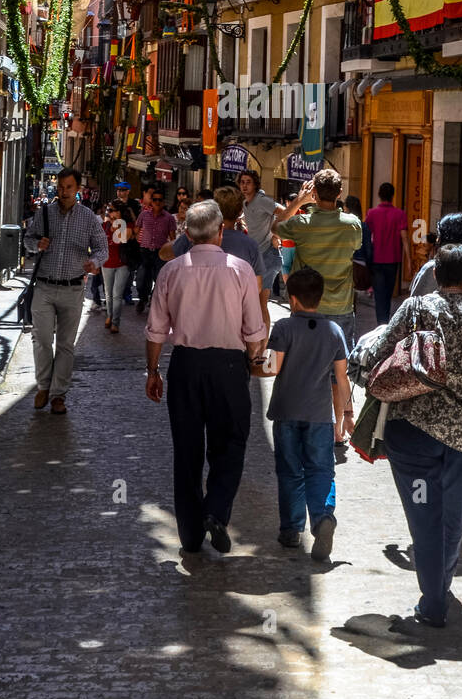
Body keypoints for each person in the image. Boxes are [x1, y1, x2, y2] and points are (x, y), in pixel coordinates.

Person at [359, 244, 462, 628]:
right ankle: (438, 591)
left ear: (435, 274)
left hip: (412, 433)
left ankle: (434, 600)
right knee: (453, 518)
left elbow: (377, 353)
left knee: (425, 518)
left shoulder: (415, 308)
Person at [144, 200, 267, 555]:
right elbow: (254, 330)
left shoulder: (171, 271)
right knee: (231, 443)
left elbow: (155, 330)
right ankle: (215, 509)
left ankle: (190, 535)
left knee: (187, 450)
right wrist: (254, 359)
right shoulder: (240, 270)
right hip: (228, 366)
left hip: (184, 366)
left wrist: (153, 371)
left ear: (187, 234)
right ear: (221, 232)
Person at [266, 267, 353, 558]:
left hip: (286, 412)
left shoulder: (283, 328)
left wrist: (250, 359)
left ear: (292, 299)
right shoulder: (334, 332)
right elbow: (341, 378)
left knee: (290, 471)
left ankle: (291, 530)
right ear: (320, 297)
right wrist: (346, 415)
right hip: (319, 415)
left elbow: (273, 368)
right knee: (321, 470)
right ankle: (322, 517)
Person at [23, 167, 108, 414]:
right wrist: (36, 244)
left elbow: (102, 248)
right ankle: (43, 387)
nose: (64, 192)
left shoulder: (89, 218)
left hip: (72, 288)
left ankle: (58, 394)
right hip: (45, 286)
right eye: (61, 187)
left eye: (69, 187)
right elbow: (28, 239)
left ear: (78, 189)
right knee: (41, 340)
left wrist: (95, 263)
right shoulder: (45, 213)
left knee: (65, 345)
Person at [276, 169, 362, 355]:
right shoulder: (353, 224)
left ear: (313, 192)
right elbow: (356, 246)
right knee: (338, 371)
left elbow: (275, 227)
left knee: (306, 365)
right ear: (339, 193)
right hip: (341, 306)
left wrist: (299, 201)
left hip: (307, 306)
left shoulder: (300, 224)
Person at [168, 187, 262, 295]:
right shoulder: (251, 245)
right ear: (241, 211)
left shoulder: (197, 234)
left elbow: (164, 253)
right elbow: (257, 287)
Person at [238, 170, 283, 336]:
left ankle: (262, 344)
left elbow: (284, 212)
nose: (244, 185)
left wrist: (276, 234)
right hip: (256, 257)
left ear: (255, 184)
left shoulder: (262, 200)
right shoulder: (246, 203)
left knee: (261, 303)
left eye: (248, 182)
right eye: (242, 182)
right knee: (253, 303)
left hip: (268, 256)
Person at [364, 182, 411, 324]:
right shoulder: (400, 214)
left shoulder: (371, 213)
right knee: (388, 294)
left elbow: (366, 235)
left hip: (376, 259)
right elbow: (404, 238)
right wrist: (409, 260)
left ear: (379, 195)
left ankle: (381, 324)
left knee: (379, 295)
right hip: (393, 259)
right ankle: (385, 322)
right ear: (393, 196)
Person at [134, 189, 176, 314]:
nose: (157, 202)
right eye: (155, 199)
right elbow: (137, 230)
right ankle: (142, 299)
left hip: (160, 253)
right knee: (142, 278)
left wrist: (171, 253)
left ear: (163, 202)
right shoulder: (144, 215)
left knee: (158, 278)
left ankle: (154, 298)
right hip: (145, 251)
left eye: (160, 200)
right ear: (151, 201)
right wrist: (140, 241)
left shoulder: (169, 218)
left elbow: (172, 237)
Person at [101, 201, 134, 334]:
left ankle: (115, 322)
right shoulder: (104, 225)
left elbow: (122, 239)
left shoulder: (128, 225)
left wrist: (117, 225)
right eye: (108, 210)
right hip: (107, 263)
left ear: (119, 212)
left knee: (117, 294)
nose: (109, 212)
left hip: (122, 263)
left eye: (112, 210)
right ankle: (110, 315)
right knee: (108, 294)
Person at [345, 194, 373, 294]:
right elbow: (368, 249)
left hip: (345, 265)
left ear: (347, 208)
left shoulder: (343, 225)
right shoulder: (364, 226)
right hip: (360, 264)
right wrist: (369, 267)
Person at [279, 193, 299, 283]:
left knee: (285, 266)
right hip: (298, 245)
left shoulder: (284, 213)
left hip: (286, 244)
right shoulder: (301, 213)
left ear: (288, 202)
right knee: (296, 267)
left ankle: (288, 286)